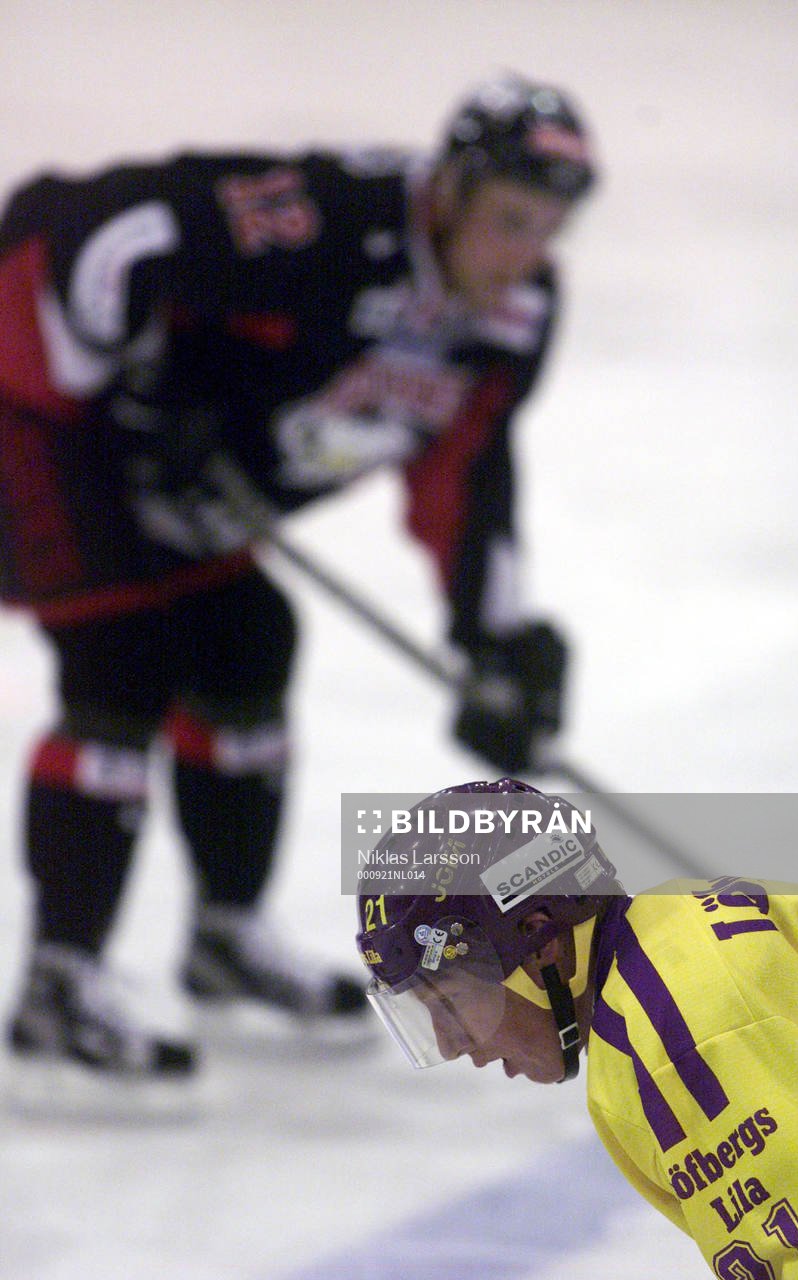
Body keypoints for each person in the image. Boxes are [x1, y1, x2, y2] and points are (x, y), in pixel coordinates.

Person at [0, 74, 597, 1079]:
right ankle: (60, 981)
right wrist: (119, 391)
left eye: (547, 230)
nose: (523, 257)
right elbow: (103, 234)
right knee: (121, 660)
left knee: (246, 638)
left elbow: (467, 470)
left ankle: (224, 937)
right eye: (507, 221)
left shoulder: (511, 315)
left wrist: (491, 633)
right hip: (34, 415)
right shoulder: (324, 222)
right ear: (445, 190)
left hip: (159, 469)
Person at [355, 780, 798, 1275]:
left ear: (539, 940)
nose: (452, 1043)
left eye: (451, 1002)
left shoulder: (678, 1022)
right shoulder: (664, 960)